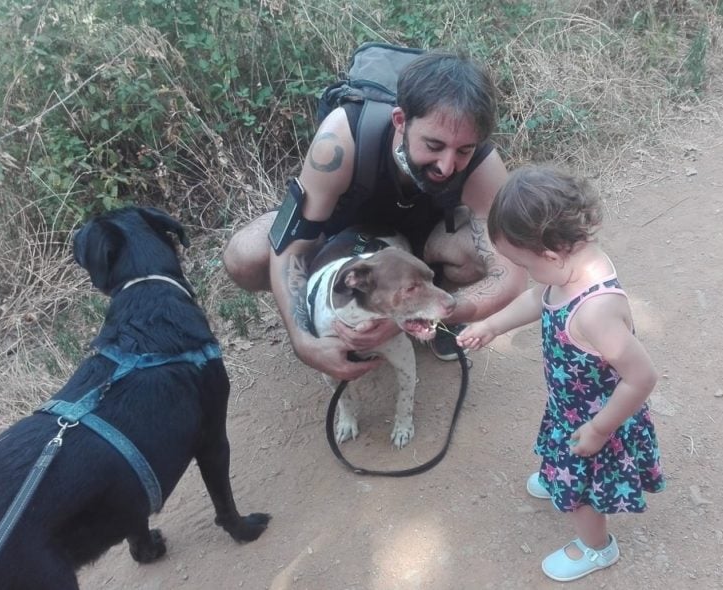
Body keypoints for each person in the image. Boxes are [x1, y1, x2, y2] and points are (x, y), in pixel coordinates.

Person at [223, 50, 527, 381]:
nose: (446, 165)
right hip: (338, 237)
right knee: (246, 254)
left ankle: (427, 307)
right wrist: (303, 341)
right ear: (400, 120)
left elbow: (510, 273)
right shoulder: (342, 137)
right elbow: (292, 242)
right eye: (434, 145)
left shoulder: (484, 164)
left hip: (422, 246)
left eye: (464, 150)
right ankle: (325, 309)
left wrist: (448, 311)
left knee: (478, 252)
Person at [456, 166, 665, 582]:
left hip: (596, 421)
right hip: (569, 409)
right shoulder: (568, 271)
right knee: (562, 460)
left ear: (551, 254)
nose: (527, 274)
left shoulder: (596, 311)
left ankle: (596, 548)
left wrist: (599, 430)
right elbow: (541, 297)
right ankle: (557, 473)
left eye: (524, 264)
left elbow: (642, 378)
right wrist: (492, 325)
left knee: (581, 495)